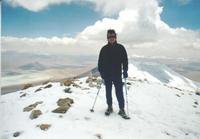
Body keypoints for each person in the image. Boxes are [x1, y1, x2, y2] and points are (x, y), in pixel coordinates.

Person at [98, 29, 128, 117]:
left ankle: (121, 109)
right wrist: (102, 73)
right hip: (107, 75)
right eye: (109, 37)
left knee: (119, 92)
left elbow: (125, 61)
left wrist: (125, 70)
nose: (111, 38)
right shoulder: (104, 49)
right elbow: (100, 62)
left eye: (113, 36)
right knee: (108, 92)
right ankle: (109, 107)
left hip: (117, 74)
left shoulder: (121, 48)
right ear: (107, 38)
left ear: (115, 37)